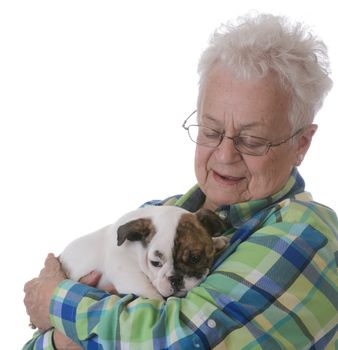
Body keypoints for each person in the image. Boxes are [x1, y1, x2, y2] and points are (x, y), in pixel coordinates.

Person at [23, 13, 338, 349]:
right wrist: (76, 330)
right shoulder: (158, 214)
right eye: (211, 130)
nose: (224, 155)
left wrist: (56, 302)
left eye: (252, 140)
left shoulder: (305, 233)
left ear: (301, 144)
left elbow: (178, 340)